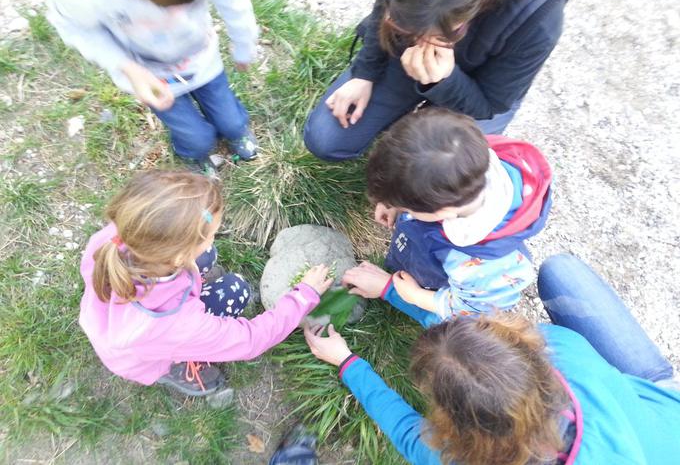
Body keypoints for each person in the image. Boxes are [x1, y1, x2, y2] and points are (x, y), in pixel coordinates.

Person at [305, 254, 680, 464]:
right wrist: (392, 290)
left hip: (640, 420)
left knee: (562, 273)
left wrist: (347, 362)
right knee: (561, 271)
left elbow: (409, 433)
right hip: (659, 413)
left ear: (460, 432)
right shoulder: (561, 349)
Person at [79, 170, 333, 396]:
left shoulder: (116, 238)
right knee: (236, 290)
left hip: (116, 324)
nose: (212, 240)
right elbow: (251, 339)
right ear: (178, 258)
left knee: (207, 256)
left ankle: (184, 312)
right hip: (147, 350)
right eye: (210, 235)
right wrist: (303, 296)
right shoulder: (177, 325)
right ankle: (176, 366)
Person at [304, 0, 574, 161]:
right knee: (325, 139)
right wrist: (365, 73)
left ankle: (418, 123)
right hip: (403, 56)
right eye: (405, 24)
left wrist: (444, 81)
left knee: (433, 178)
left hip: (480, 90)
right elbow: (383, 2)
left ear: (475, 8)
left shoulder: (538, 16)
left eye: (436, 34)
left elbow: (491, 102)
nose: (418, 37)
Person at [45, 0, 260, 174]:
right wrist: (126, 66)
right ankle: (193, 153)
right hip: (151, 76)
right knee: (197, 139)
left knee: (231, 122)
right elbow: (77, 28)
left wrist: (244, 40)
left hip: (201, 58)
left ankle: (235, 132)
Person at [344, 108, 551, 324]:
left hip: (445, 291)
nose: (403, 211)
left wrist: (412, 295)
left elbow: (469, 311)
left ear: (442, 213)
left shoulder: (484, 268)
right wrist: (396, 201)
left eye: (408, 210)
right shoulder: (463, 166)